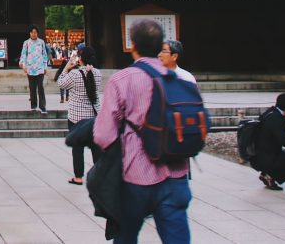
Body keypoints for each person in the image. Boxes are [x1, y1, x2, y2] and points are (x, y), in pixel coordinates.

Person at [93, 19, 190, 243]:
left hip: (136, 175)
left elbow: (102, 135)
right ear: (160, 47)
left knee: (126, 236)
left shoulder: (121, 80)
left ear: (132, 45)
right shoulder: (180, 80)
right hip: (176, 174)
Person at [64, 46, 103, 185]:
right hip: (93, 116)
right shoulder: (98, 73)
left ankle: (78, 177)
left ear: (81, 59)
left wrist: (67, 68)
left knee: (77, 147)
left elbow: (61, 83)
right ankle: (99, 176)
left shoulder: (75, 74)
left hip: (76, 117)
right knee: (96, 147)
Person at [20, 25, 51, 114]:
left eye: (35, 32)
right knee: (32, 87)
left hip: (40, 68)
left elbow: (44, 55)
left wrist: (45, 66)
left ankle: (43, 107)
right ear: (30, 33)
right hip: (30, 68)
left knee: (40, 87)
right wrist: (24, 65)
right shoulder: (26, 43)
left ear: (37, 33)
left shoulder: (41, 42)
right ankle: (33, 105)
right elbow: (23, 54)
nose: (33, 34)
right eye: (32, 32)